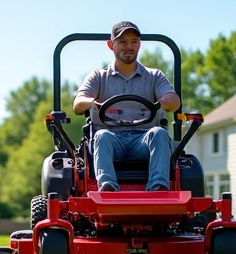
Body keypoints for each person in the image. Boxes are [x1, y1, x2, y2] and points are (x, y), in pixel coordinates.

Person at [73, 21, 181, 192]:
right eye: (123, 42)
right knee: (101, 136)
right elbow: (78, 104)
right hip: (112, 138)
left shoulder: (154, 76)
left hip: (143, 139)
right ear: (111, 45)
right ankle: (108, 188)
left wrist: (161, 102)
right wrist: (91, 103)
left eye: (134, 42)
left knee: (159, 133)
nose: (129, 46)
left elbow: (174, 101)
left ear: (139, 44)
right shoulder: (98, 77)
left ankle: (158, 188)